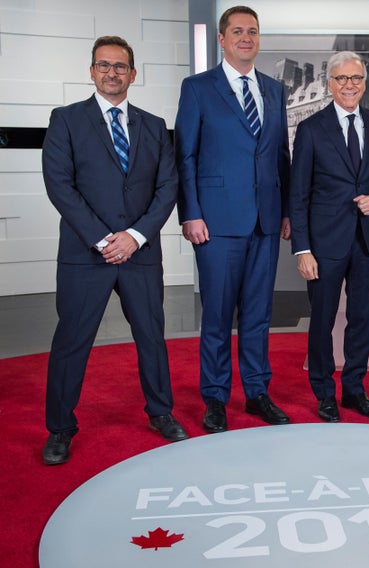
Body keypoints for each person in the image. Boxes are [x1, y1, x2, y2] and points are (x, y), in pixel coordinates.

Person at [41, 36, 188, 465]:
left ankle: (161, 412)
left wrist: (135, 236)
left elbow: (167, 187)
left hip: (140, 252)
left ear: (133, 74)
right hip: (86, 253)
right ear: (91, 71)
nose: (112, 73)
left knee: (151, 336)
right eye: (103, 65)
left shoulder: (153, 125)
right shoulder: (66, 120)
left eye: (120, 66)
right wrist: (105, 239)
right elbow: (60, 186)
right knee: (72, 340)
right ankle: (60, 428)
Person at [175, 5, 291, 431]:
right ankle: (216, 397)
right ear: (221, 39)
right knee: (219, 315)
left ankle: (257, 392)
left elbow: (281, 156)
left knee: (259, 315)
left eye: (253, 31)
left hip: (265, 220)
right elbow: (184, 155)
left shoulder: (274, 90)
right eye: (238, 31)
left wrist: (287, 212)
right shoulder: (198, 88)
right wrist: (191, 213)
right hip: (217, 223)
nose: (246, 37)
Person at [289, 51, 369, 422]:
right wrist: (302, 248)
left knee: (361, 318)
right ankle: (324, 392)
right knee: (322, 319)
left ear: (364, 83)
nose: (349, 85)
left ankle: (354, 389)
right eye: (341, 79)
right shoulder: (311, 129)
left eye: (355, 79)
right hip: (323, 243)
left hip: (366, 240)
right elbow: (298, 194)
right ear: (329, 83)